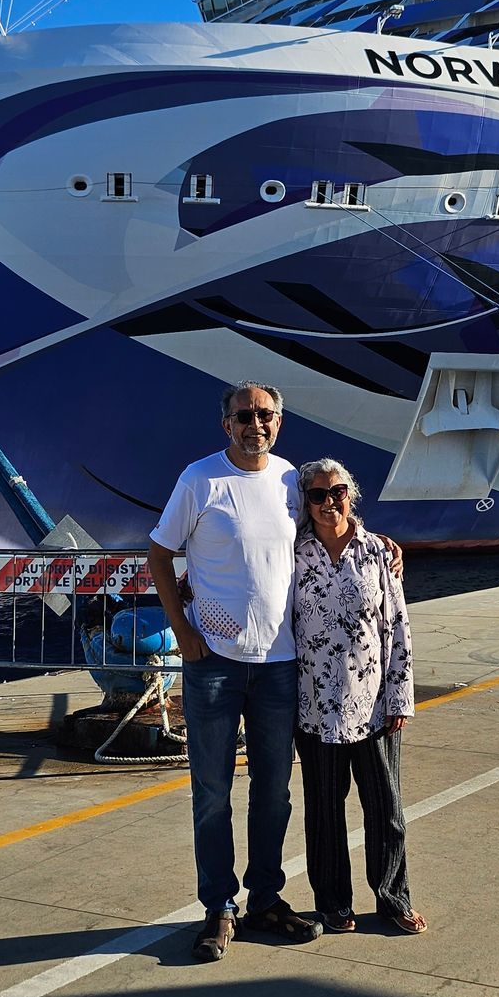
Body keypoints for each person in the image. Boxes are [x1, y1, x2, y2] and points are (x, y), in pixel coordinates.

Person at [147, 382, 322, 961]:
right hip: (215, 665)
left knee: (273, 792)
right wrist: (183, 632)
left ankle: (266, 899)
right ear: (226, 424)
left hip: (279, 664)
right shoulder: (199, 479)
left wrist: (383, 546)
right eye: (244, 415)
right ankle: (219, 907)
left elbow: (329, 532)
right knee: (213, 793)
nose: (255, 424)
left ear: (280, 420)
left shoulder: (291, 480)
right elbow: (159, 554)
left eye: (265, 414)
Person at [291, 458, 424, 936]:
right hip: (314, 708)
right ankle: (332, 904)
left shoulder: (377, 553)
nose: (330, 503)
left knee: (385, 810)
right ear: (306, 503)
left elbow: (398, 628)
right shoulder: (294, 553)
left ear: (352, 494)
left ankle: (393, 899)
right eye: (318, 495)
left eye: (338, 491)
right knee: (324, 812)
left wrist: (400, 698)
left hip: (372, 707)